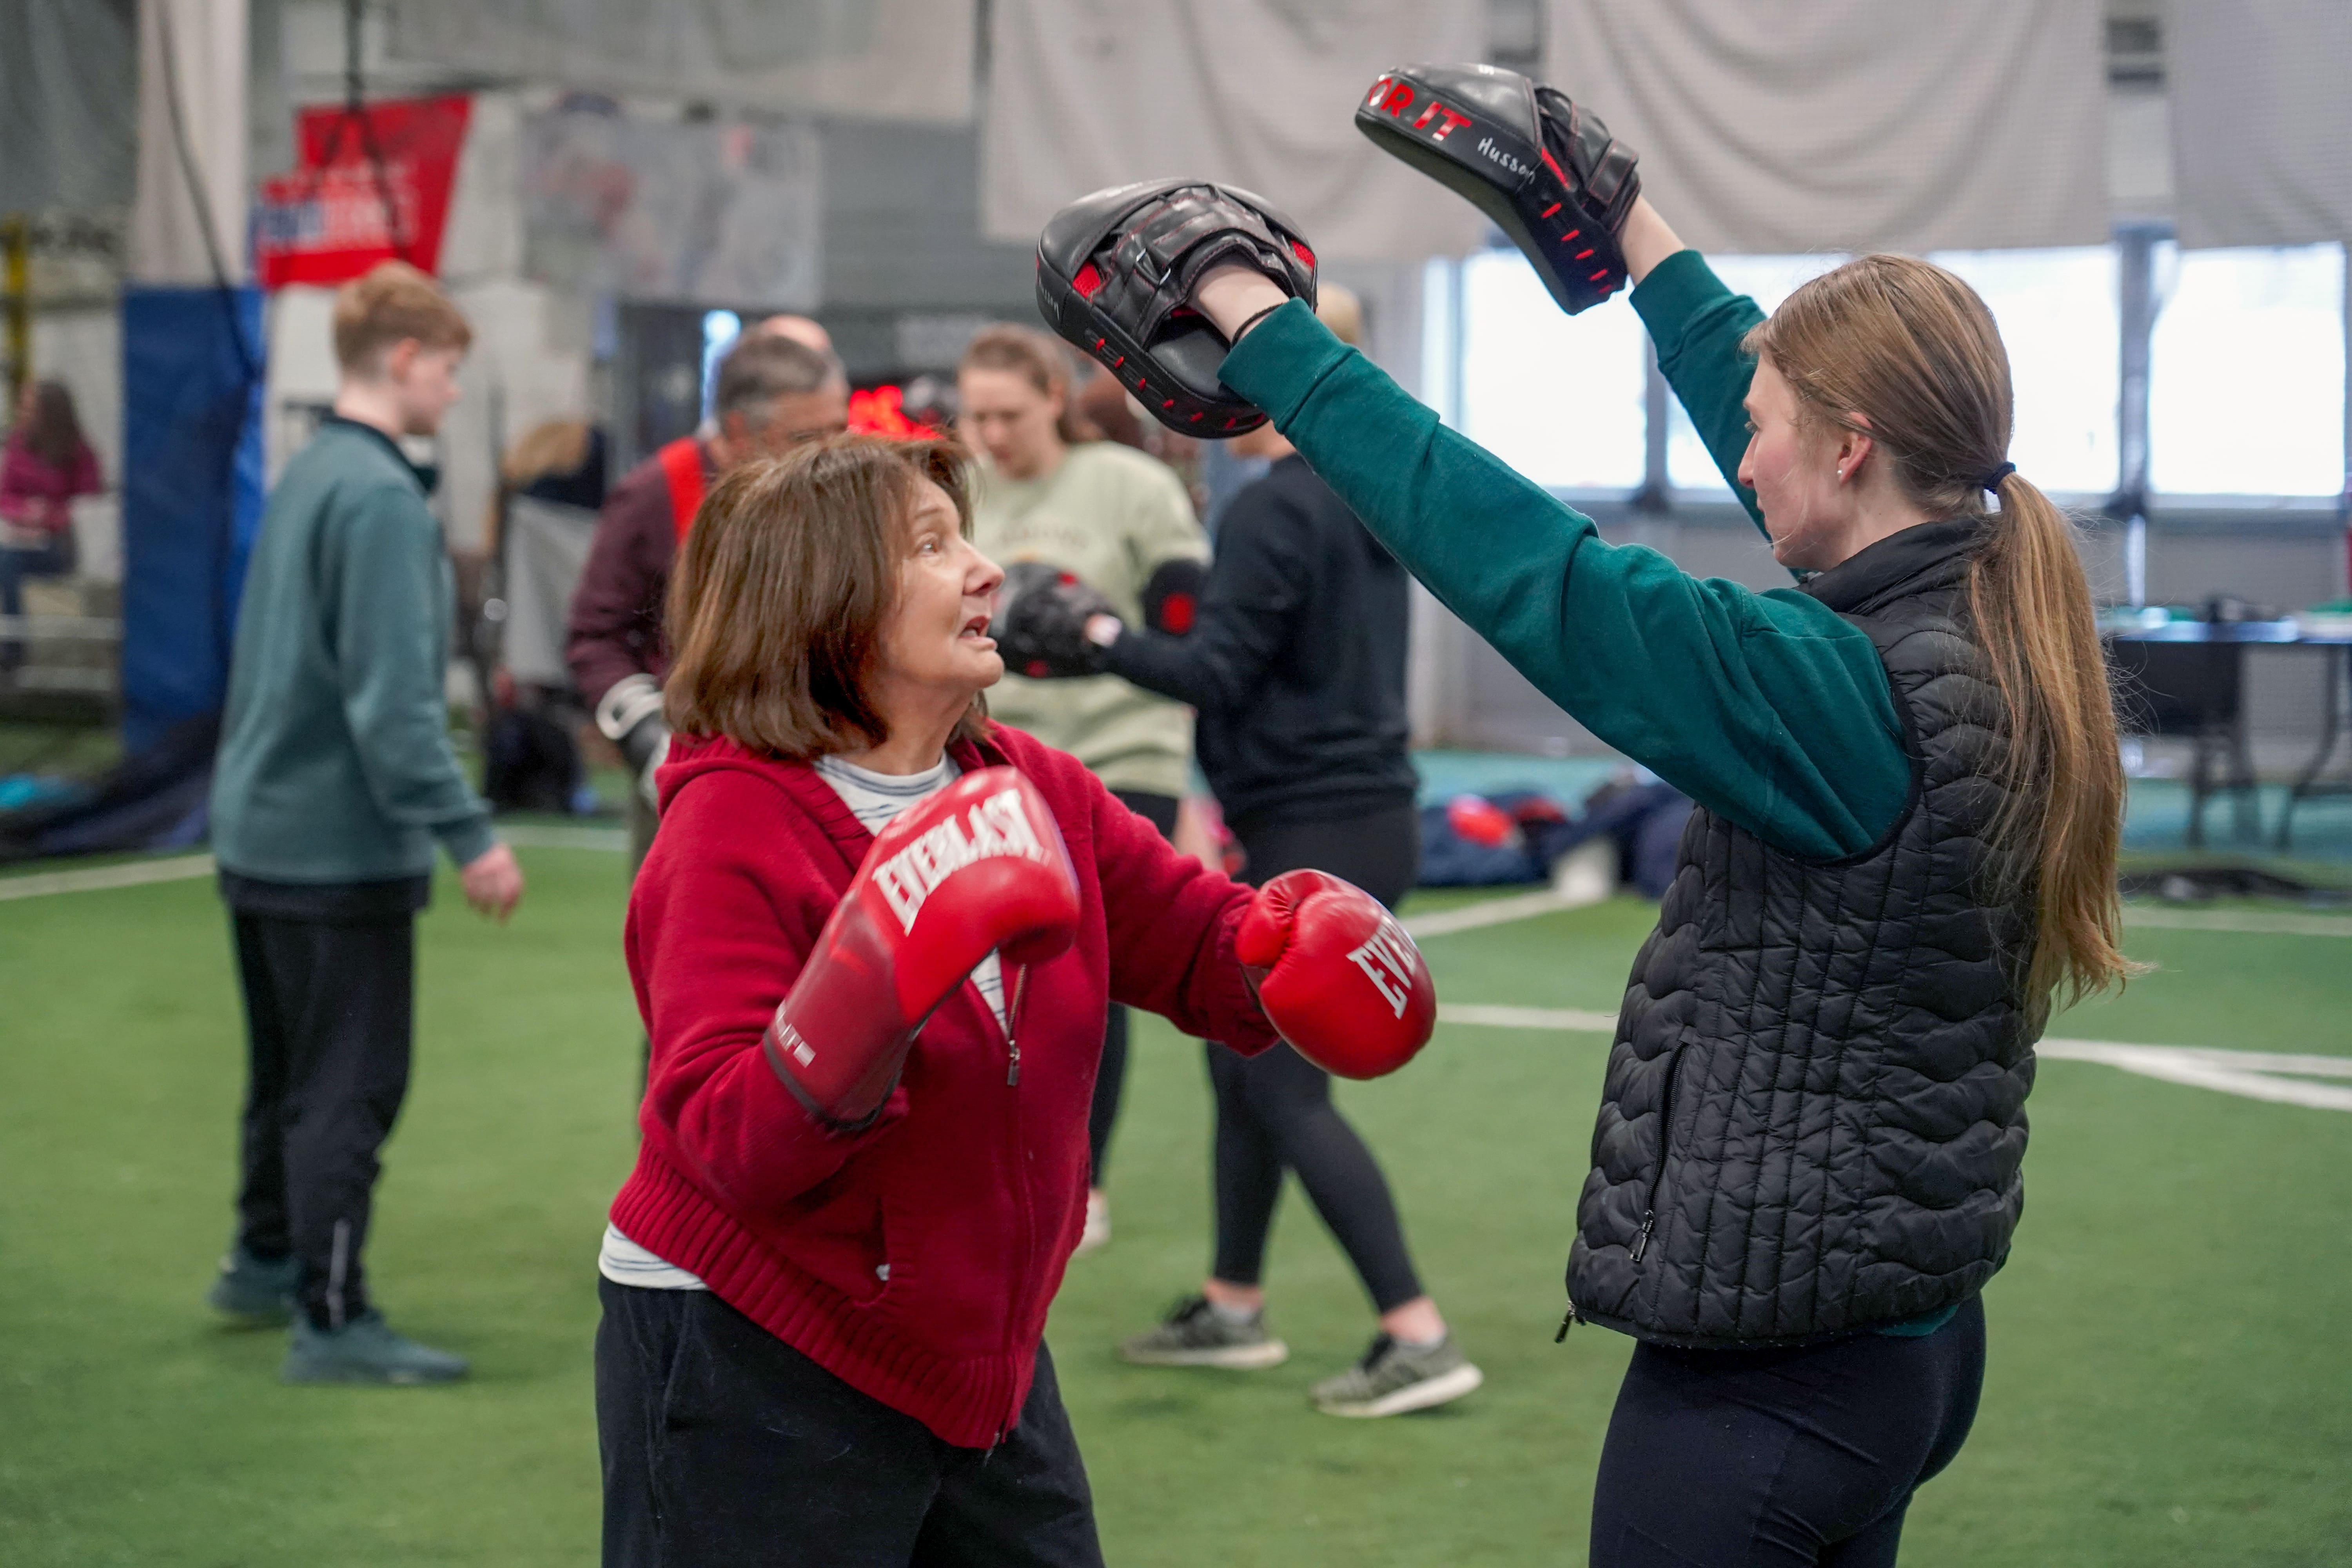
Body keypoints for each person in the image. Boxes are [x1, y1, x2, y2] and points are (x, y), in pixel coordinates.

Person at [1111, 154, 2129, 1561]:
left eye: (1757, 428)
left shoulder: (1839, 692)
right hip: (1898, 1332)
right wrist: (1630, 233)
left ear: (1845, 444)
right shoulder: (1973, 605)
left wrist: (1259, 326)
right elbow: (1781, 420)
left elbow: (1530, 565)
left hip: (1776, 1377)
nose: (1739, 448)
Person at [592, 434, 1433, 1566]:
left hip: (970, 1350)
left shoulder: (1031, 787)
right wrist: (871, 992)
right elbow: (732, 1140)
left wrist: (1284, 946)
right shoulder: (733, 823)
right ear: (824, 600)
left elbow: (1191, 937)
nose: (989, 570)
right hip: (750, 1336)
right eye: (935, 547)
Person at [1026, 286, 1477, 1417]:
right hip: (1349, 813)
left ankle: (1416, 1331)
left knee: (1280, 1089)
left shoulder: (1276, 507)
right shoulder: (1364, 492)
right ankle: (1234, 1304)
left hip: (1318, 825)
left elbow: (1213, 673)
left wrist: (1091, 633)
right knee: (1240, 1068)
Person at [206, 260, 527, 1384]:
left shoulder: (307, 476)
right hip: (337, 855)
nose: (449, 393)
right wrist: (470, 833)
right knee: (350, 1087)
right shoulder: (387, 500)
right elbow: (393, 711)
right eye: (445, 371)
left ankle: (262, 1260)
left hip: (255, 834)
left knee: (285, 1073)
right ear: (403, 361)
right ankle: (332, 1317)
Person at [958, 323, 1211, 1251]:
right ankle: (990, 1169)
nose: (990, 433)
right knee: (971, 979)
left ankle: (1083, 1181)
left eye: (1008, 414)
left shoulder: (1130, 488)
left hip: (1118, 758)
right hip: (991, 759)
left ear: (1055, 399)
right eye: (976, 414)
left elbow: (1190, 635)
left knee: (1081, 983)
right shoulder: (959, 491)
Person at [567, 329, 850, 873]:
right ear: (741, 431)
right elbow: (594, 634)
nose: (831, 453)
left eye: (839, 430)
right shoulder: (656, 492)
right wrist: (648, 738)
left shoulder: (846, 491)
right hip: (696, 766)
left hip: (828, 765)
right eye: (806, 436)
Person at [0, 378, 102, 670]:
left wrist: (49, 517)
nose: (23, 412)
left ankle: (13, 650)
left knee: (7, 562)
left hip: (60, 546)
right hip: (19, 538)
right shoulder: (18, 445)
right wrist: (25, 513)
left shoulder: (79, 453)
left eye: (31, 408)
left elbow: (89, 507)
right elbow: (5, 496)